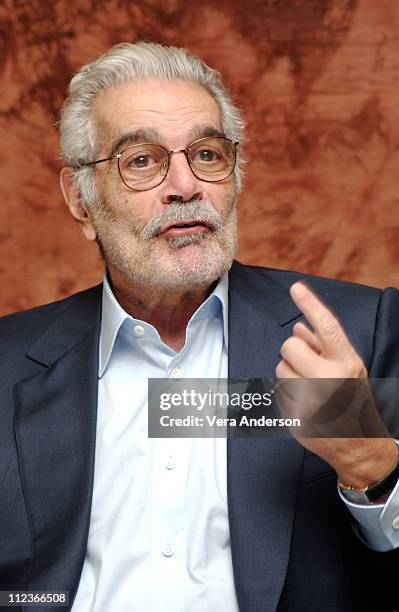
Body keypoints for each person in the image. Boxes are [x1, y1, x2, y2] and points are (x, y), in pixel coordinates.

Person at [1, 41, 399, 612]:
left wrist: (373, 464)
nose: (185, 185)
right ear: (82, 202)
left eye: (208, 154)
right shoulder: (6, 364)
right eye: (140, 161)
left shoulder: (365, 328)